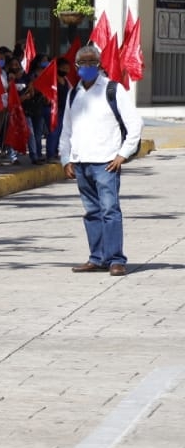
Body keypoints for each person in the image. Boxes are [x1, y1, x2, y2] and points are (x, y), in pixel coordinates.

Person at [58, 45, 143, 277]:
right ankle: (97, 258)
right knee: (92, 212)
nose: (86, 67)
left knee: (110, 210)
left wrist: (122, 154)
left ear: (99, 64)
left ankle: (116, 260)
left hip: (106, 162)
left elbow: (135, 124)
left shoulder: (113, 90)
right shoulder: (74, 94)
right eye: (82, 64)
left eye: (91, 63)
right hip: (81, 162)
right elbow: (66, 129)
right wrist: (65, 158)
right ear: (76, 67)